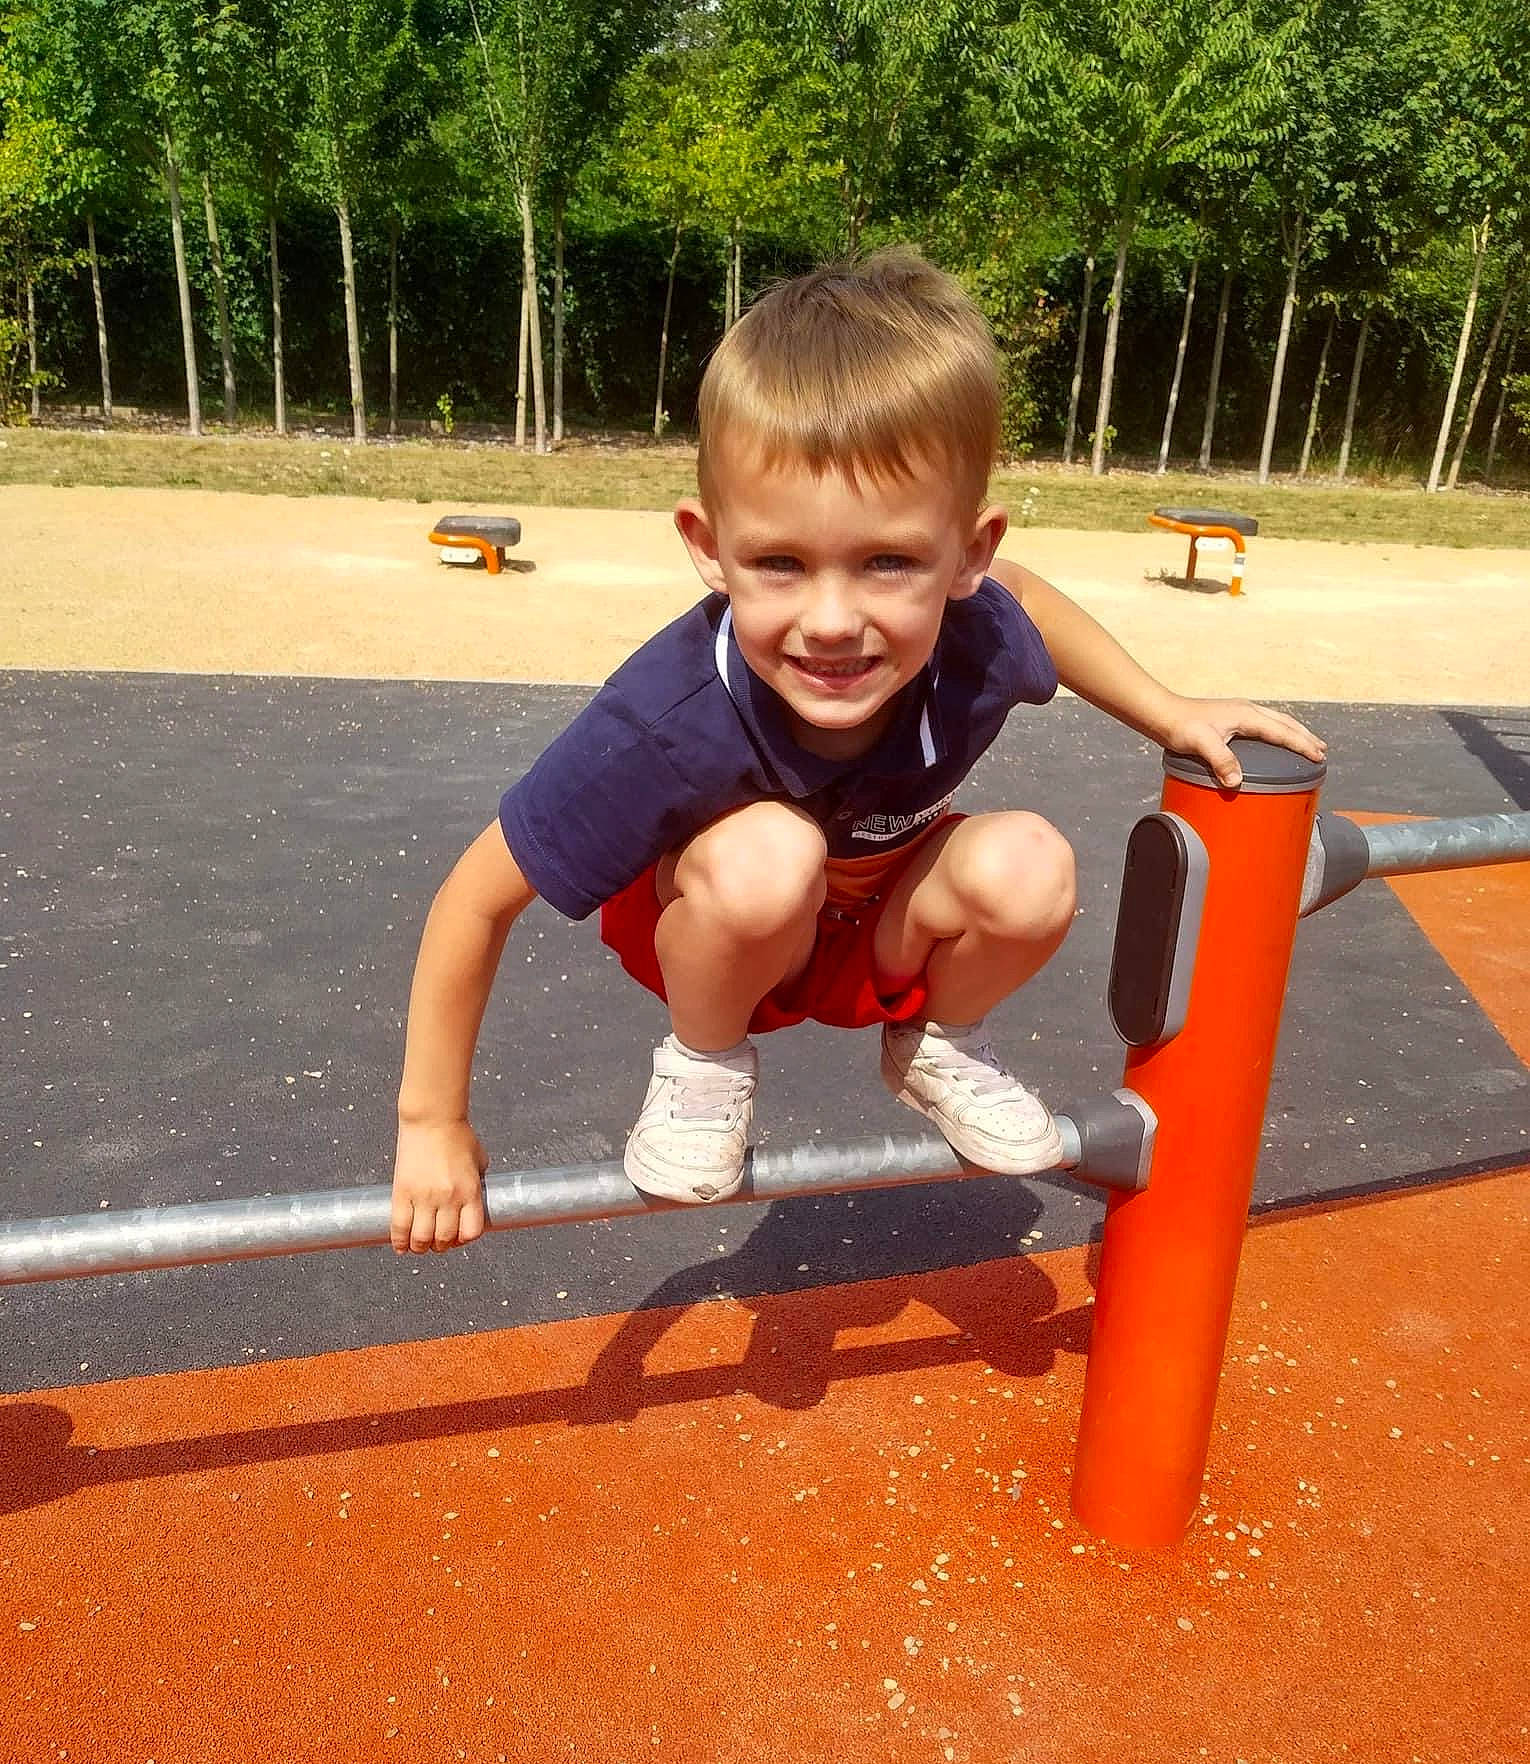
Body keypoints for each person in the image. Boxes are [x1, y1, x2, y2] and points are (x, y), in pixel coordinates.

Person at [390, 249, 1323, 1251]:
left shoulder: (975, 630)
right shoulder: (665, 717)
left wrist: (1166, 708)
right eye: (781, 564)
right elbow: (475, 898)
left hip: (881, 929)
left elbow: (1034, 606)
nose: (832, 620)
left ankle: (938, 1042)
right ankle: (705, 1066)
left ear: (970, 553)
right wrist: (431, 1121)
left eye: (888, 561)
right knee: (766, 858)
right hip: (727, 933)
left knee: (1031, 863)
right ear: (709, 548)